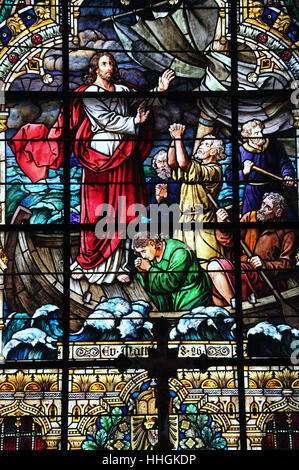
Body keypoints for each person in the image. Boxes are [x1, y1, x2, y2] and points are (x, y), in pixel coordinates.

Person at [9, 52, 175, 285]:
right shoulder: (90, 94)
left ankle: (122, 265)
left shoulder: (123, 91)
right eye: (105, 63)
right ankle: (87, 262)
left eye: (111, 63)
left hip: (125, 158)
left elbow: (142, 105)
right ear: (96, 69)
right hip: (99, 158)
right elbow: (106, 119)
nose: (110, 67)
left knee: (126, 212)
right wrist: (133, 122)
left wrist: (159, 91)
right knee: (96, 213)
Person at [207, 192, 297, 308]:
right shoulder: (250, 217)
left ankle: (236, 307)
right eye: (263, 204)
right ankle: (234, 304)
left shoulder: (287, 233)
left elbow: (287, 264)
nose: (262, 209)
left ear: (278, 212)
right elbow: (230, 240)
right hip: (241, 268)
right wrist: (221, 223)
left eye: (268, 207)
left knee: (217, 270)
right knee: (214, 268)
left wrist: (265, 265)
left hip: (264, 279)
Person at [167, 124, 227, 267]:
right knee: (180, 264)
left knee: (206, 263)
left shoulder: (215, 170)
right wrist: (173, 140)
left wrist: (178, 137)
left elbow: (183, 163)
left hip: (203, 221)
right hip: (184, 220)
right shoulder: (194, 167)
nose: (200, 146)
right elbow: (172, 163)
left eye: (205, 144)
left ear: (214, 151)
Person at [225, 119, 296, 219]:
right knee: (251, 222)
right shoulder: (240, 151)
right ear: (248, 136)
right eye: (257, 133)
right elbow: (229, 177)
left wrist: (287, 175)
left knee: (286, 219)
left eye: (261, 131)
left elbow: (285, 163)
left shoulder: (273, 146)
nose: (261, 135)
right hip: (252, 194)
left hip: (274, 190)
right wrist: (244, 172)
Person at [133, 232, 211, 312]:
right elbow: (151, 285)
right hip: (173, 297)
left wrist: (149, 268)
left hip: (193, 297)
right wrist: (144, 273)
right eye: (140, 253)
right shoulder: (153, 255)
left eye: (143, 251)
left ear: (152, 244)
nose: (143, 256)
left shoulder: (179, 252)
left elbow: (173, 282)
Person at [146, 149, 180, 236]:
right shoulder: (151, 183)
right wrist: (157, 199)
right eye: (159, 162)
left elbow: (183, 203)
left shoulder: (178, 182)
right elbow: (144, 208)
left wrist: (166, 195)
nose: (162, 165)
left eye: (165, 161)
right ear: (155, 165)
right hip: (155, 226)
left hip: (175, 225)